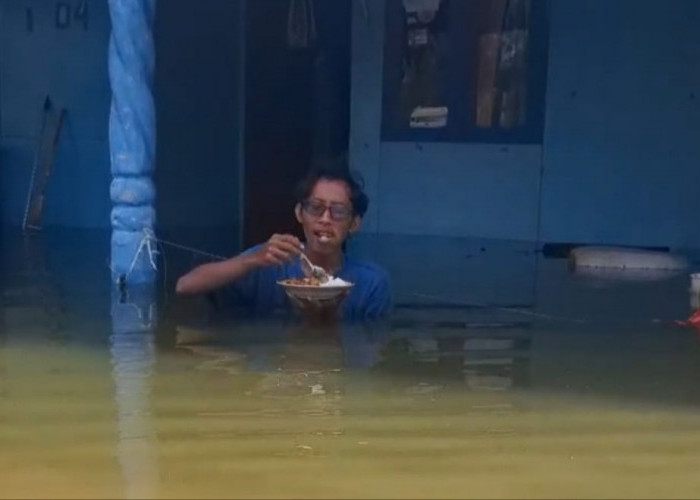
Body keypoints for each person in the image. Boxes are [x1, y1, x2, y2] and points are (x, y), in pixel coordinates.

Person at [175, 162, 392, 322]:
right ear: (299, 213)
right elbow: (185, 286)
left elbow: (367, 347)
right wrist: (251, 260)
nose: (325, 219)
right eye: (316, 208)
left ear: (354, 223)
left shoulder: (371, 282)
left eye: (338, 211)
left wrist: (328, 316)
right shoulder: (270, 259)